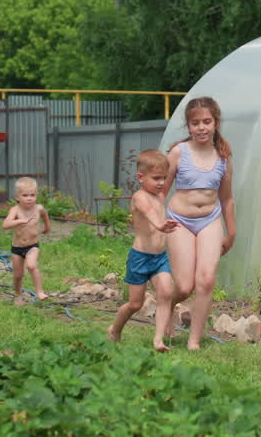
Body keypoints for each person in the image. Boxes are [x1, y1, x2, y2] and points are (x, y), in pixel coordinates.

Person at [164, 96, 235, 350]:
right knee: (184, 286)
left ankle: (194, 341)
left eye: (207, 121)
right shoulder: (178, 153)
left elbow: (226, 199)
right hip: (179, 221)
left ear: (215, 123)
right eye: (196, 123)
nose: (201, 127)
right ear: (189, 126)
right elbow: (161, 191)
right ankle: (169, 305)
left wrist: (231, 232)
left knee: (205, 280)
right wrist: (155, 221)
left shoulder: (223, 157)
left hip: (209, 221)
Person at [107, 149, 180, 351]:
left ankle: (158, 340)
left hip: (160, 258)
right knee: (135, 304)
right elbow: (149, 214)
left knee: (165, 293)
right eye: (156, 178)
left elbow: (158, 209)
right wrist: (160, 224)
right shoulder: (140, 197)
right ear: (141, 177)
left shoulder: (159, 196)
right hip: (140, 257)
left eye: (164, 178)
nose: (161, 183)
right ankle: (115, 329)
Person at [2, 176, 50, 304]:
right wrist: (19, 220)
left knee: (31, 265)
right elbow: (5, 225)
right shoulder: (15, 210)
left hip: (32, 246)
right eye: (25, 195)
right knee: (18, 276)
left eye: (32, 195)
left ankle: (40, 292)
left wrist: (47, 226)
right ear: (18, 197)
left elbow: (45, 215)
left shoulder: (38, 208)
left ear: (36, 196)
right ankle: (18, 295)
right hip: (17, 248)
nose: (29, 198)